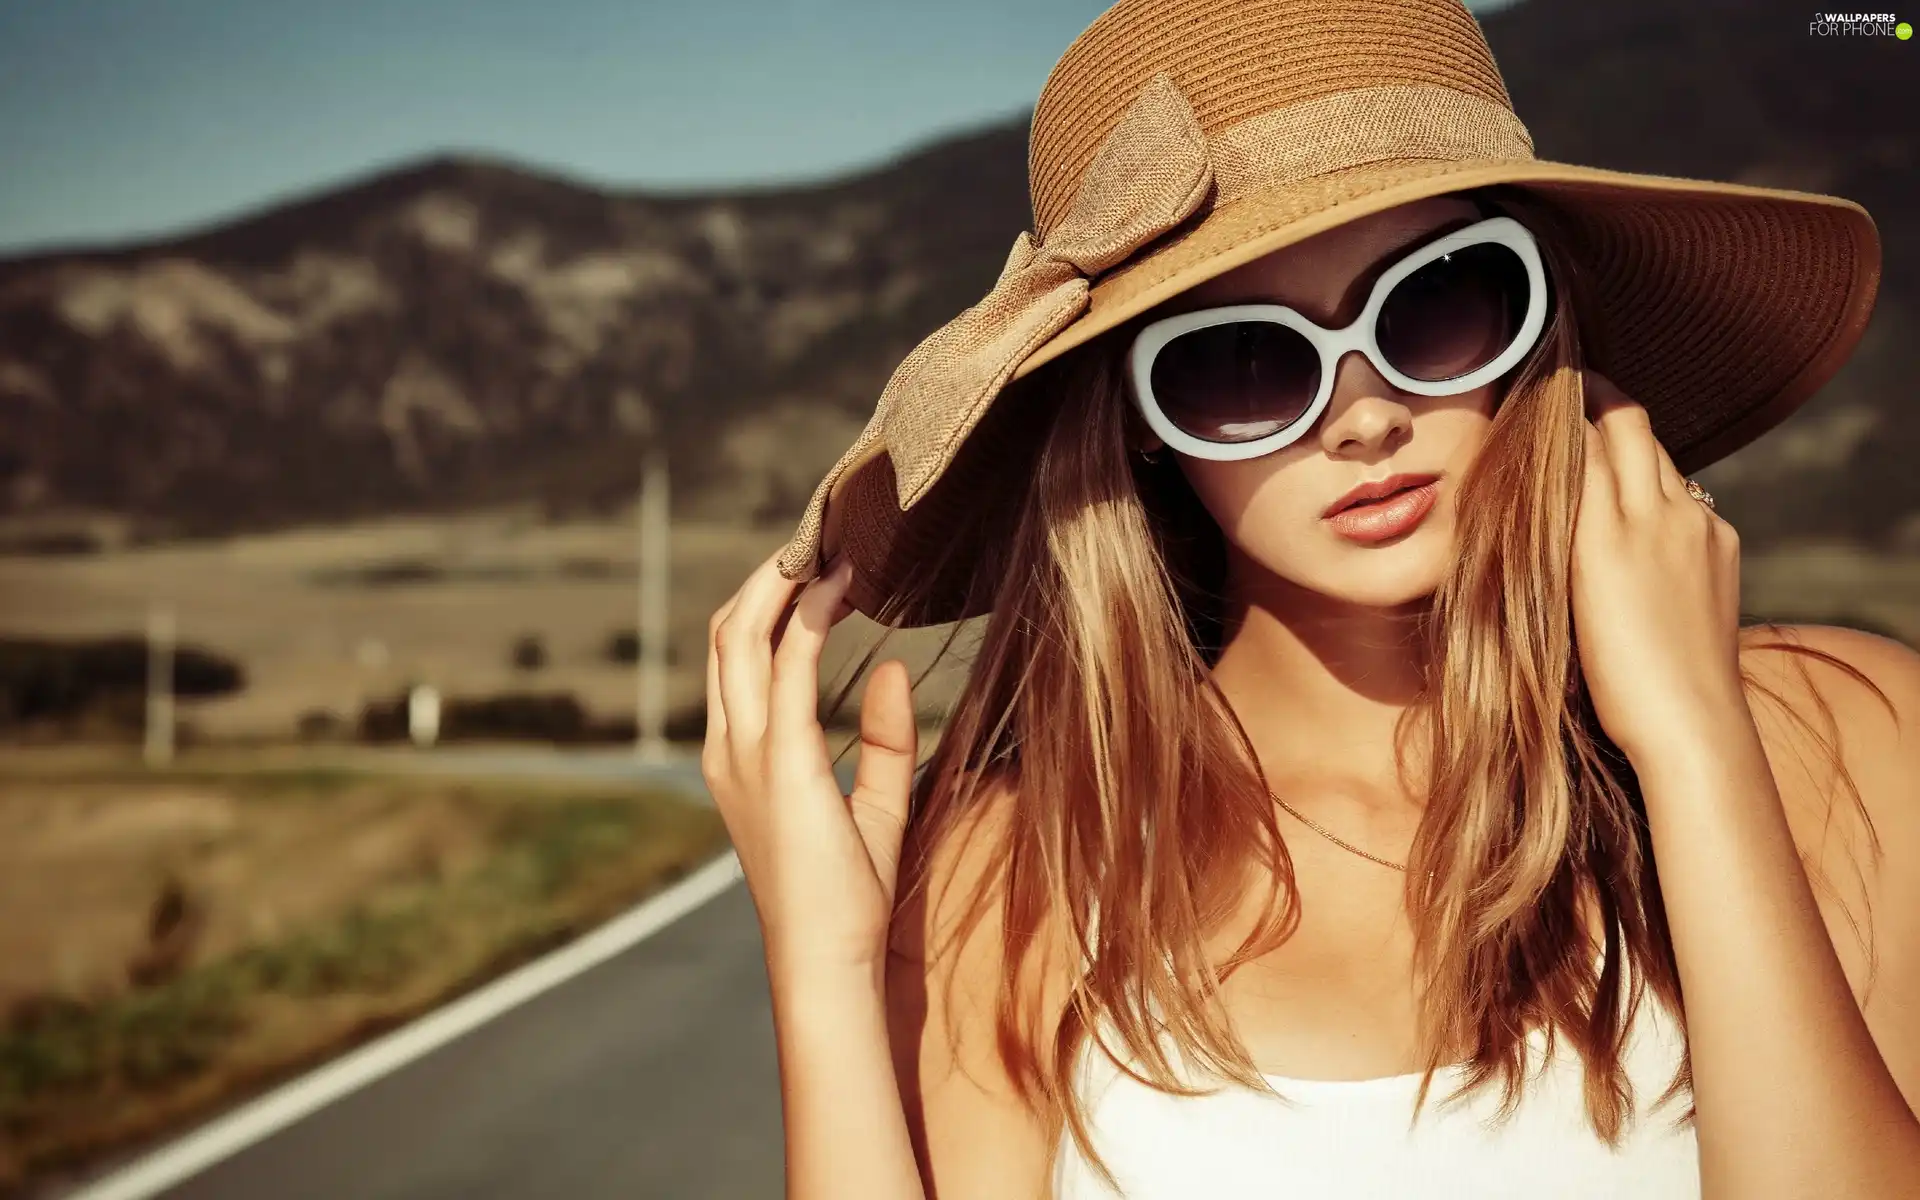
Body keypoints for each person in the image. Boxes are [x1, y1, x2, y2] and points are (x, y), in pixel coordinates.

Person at [702, 1, 1920, 1197]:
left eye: (1439, 303)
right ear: (1140, 428)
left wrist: (1695, 739)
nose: (1366, 414)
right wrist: (822, 969)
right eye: (1241, 361)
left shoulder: (1852, 735)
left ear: (1542, 311)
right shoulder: (1017, 872)